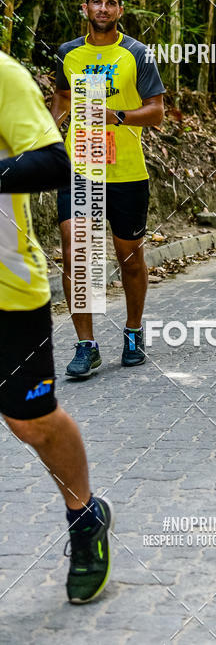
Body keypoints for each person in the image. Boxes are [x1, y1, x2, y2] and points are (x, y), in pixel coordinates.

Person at [0, 51, 113, 603]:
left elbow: (51, 162)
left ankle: (84, 515)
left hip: (7, 289)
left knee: (31, 424)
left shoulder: (3, 75)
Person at [51, 0, 165, 378]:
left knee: (129, 258)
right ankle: (86, 345)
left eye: (110, 3)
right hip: (79, 165)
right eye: (96, 2)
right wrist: (50, 133)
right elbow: (63, 96)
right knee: (76, 250)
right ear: (85, 9)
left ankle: (133, 331)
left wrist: (117, 117)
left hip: (127, 170)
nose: (103, 9)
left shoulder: (137, 53)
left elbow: (156, 111)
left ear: (120, 10)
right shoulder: (67, 52)